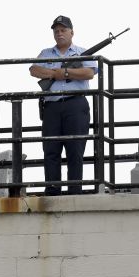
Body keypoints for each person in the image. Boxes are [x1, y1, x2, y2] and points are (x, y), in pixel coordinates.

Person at [29, 15, 98, 195]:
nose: (59, 34)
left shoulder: (82, 52)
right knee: (51, 149)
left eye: (63, 30)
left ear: (72, 32)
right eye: (56, 31)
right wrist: (54, 74)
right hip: (52, 107)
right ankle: (52, 191)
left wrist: (66, 73)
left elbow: (89, 73)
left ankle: (75, 191)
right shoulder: (46, 53)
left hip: (75, 104)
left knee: (75, 149)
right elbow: (34, 70)